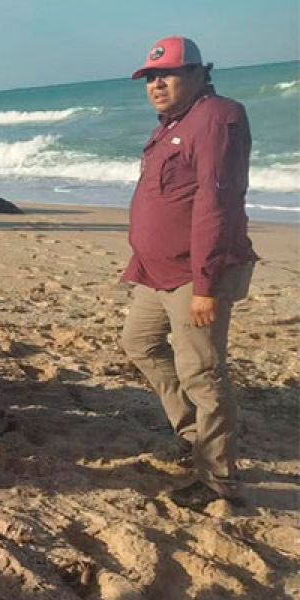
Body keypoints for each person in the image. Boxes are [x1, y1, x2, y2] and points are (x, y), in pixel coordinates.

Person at [119, 36, 256, 510]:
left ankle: (219, 479)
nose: (157, 83)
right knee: (139, 343)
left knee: (202, 373)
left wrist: (206, 285)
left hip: (194, 275)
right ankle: (194, 432)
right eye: (151, 77)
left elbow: (216, 205)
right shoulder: (174, 123)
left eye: (169, 74)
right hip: (157, 273)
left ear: (199, 73)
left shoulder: (217, 118)